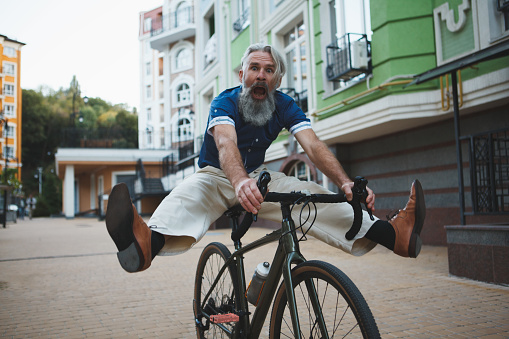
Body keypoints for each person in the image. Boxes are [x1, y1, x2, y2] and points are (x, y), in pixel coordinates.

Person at [106, 43, 426, 273]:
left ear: (277, 79)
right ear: (242, 73)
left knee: (310, 196)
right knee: (187, 197)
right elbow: (226, 143)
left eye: (269, 70)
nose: (261, 75)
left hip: (259, 175)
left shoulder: (285, 105)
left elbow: (313, 146)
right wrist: (239, 180)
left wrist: (344, 183)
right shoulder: (225, 101)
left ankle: (394, 236)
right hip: (217, 174)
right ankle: (145, 243)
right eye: (255, 68)